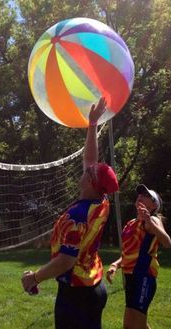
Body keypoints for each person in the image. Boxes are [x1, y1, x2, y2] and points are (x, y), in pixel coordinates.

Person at [21, 97, 119, 329]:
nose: (86, 169)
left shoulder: (77, 217)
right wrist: (92, 124)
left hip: (77, 297)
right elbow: (90, 159)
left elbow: (66, 261)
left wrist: (34, 278)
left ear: (92, 183)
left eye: (90, 172)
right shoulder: (101, 202)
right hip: (93, 288)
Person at [106, 184, 171, 329]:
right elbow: (129, 253)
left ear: (154, 205)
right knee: (131, 325)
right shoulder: (130, 224)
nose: (140, 196)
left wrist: (149, 221)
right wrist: (115, 265)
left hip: (144, 276)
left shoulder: (153, 220)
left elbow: (167, 242)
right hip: (130, 278)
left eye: (146, 195)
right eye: (139, 194)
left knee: (136, 324)